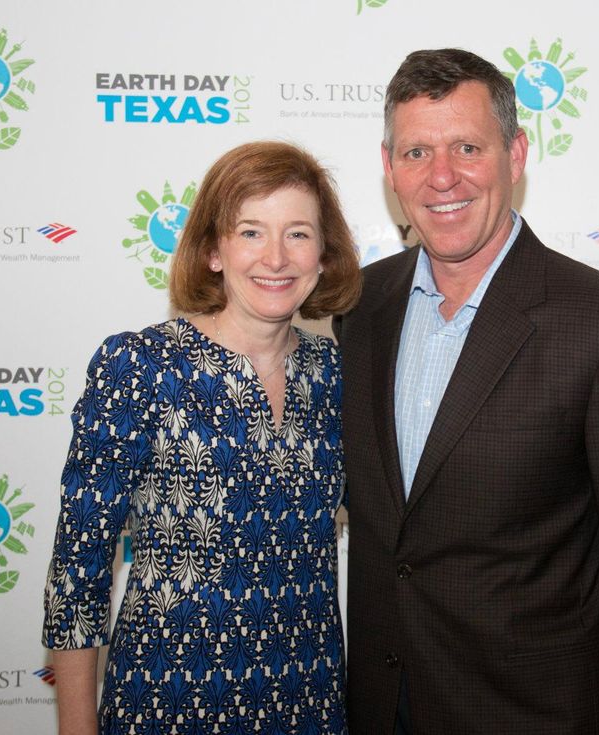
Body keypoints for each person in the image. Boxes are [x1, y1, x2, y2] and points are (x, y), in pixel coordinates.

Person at [334, 49, 599, 734]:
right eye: (416, 152)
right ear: (389, 167)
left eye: (467, 147)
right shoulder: (358, 309)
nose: (441, 176)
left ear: (516, 153)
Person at [43, 141, 362, 735]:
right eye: (250, 232)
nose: (275, 257)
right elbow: (78, 570)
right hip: (168, 701)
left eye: (297, 234)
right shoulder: (140, 366)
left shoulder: (336, 375)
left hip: (309, 702)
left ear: (324, 255)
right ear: (214, 251)